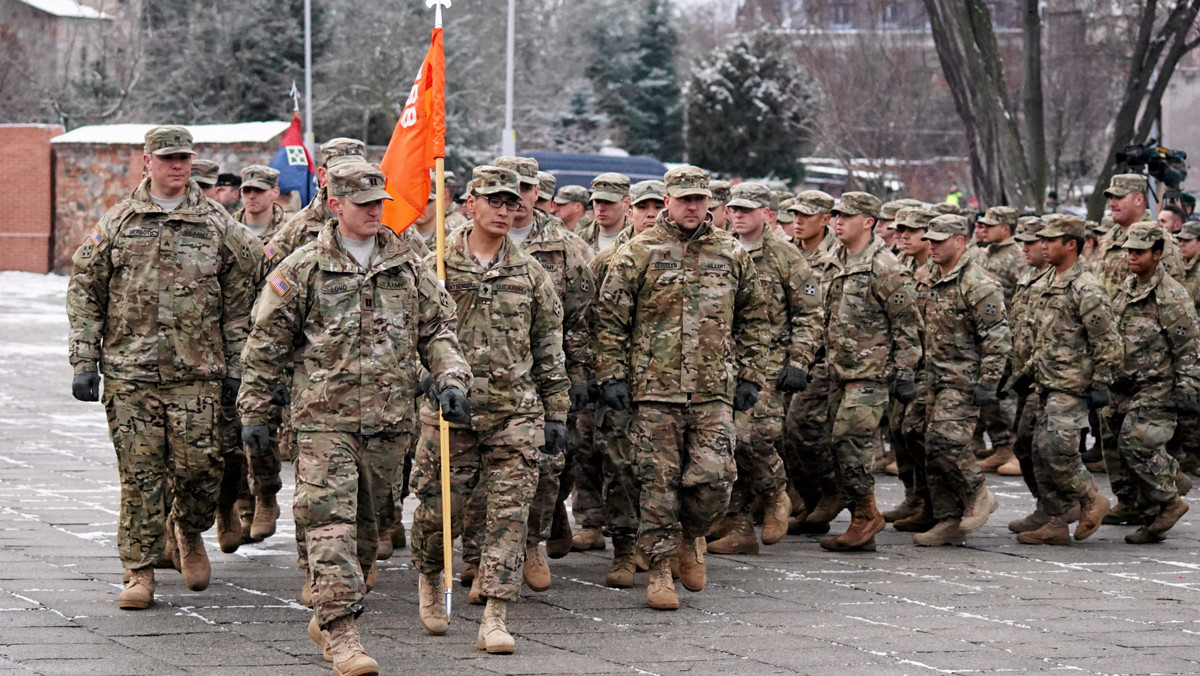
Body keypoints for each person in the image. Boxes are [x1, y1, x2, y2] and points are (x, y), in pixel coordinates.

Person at [237, 161, 472, 672]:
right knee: (328, 527)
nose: (372, 212)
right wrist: (254, 410)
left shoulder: (408, 266)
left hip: (389, 424)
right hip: (324, 421)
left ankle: (329, 610)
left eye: (377, 203)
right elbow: (266, 345)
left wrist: (452, 379)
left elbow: (439, 331)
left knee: (366, 536)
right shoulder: (302, 268)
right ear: (335, 204)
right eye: (361, 203)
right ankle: (343, 635)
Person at [66, 125, 260, 609]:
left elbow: (241, 301)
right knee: (140, 477)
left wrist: (238, 367)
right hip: (132, 374)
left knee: (201, 473)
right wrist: (84, 360)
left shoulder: (218, 223)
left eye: (185, 158)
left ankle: (187, 528)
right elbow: (85, 291)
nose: (178, 165)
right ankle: (139, 572)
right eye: (168, 157)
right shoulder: (118, 222)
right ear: (146, 161)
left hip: (198, 375)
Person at [594, 165, 770, 610]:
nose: (692, 206)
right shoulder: (639, 252)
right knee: (657, 484)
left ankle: (691, 537)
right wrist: (611, 375)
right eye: (684, 199)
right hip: (654, 391)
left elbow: (754, 318)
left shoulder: (731, 253)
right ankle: (658, 571)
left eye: (699, 199)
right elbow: (610, 321)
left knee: (714, 481)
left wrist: (751, 374)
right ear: (667, 201)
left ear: (710, 202)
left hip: (713, 392)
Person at [408, 165, 567, 654]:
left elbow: (548, 345)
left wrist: (556, 411)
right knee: (438, 510)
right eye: (493, 200)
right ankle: (431, 577)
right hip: (448, 411)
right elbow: (407, 334)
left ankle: (496, 614)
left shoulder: (531, 272)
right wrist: (423, 381)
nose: (504, 210)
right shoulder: (434, 263)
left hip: (514, 411)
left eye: (512, 202)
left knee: (509, 515)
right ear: (469, 202)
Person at [465, 156, 593, 594]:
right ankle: (482, 554)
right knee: (479, 477)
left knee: (547, 468)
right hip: (474, 380)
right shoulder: (455, 245)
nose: (512, 202)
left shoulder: (566, 247)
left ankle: (532, 542)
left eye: (523, 190)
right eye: (501, 193)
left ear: (537, 193)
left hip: (540, 376)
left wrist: (574, 374)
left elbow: (578, 318)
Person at [705, 182, 821, 555]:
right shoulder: (720, 249)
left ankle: (776, 494)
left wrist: (799, 361)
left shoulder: (786, 256)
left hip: (770, 364)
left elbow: (810, 314)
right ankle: (737, 525)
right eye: (734, 209)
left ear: (767, 214)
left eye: (747, 210)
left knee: (751, 437)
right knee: (724, 445)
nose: (738, 215)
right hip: (723, 363)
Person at [818, 192, 922, 552]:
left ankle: (865, 517)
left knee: (849, 441)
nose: (838, 221)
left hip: (871, 374)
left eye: (847, 216)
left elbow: (908, 326)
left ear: (869, 222)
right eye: (836, 215)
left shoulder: (886, 267)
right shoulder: (835, 261)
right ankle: (862, 516)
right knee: (837, 445)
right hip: (838, 372)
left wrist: (905, 373)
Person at [1010, 214, 1119, 545]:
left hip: (1073, 384)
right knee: (1039, 450)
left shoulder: (1087, 288)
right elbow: (1048, 337)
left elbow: (1110, 343)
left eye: (1050, 240)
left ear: (1071, 244)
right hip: (1047, 381)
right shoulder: (1050, 282)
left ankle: (1091, 499)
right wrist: (1027, 371)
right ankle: (1055, 521)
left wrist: (1102, 382)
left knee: (1058, 450)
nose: (1042, 245)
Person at [908, 215, 1010, 546]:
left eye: (940, 240)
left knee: (944, 440)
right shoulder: (925, 277)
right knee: (919, 438)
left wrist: (989, 382)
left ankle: (977, 492)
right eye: (930, 240)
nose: (932, 245)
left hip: (963, 379)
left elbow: (997, 337)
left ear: (960, 241)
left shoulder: (978, 284)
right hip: (930, 377)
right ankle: (947, 517)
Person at [1106, 221, 1197, 544]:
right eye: (1129, 250)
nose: (1132, 256)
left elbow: (1188, 349)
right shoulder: (1127, 288)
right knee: (1111, 436)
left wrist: (1188, 390)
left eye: (1140, 251)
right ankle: (1141, 503)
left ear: (1157, 254)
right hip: (1124, 384)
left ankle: (1171, 502)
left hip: (1159, 385)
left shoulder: (1171, 296)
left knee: (1135, 441)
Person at [781, 191, 844, 533]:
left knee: (802, 427)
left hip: (826, 356)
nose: (798, 221)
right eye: (795, 215)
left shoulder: (839, 256)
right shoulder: (788, 251)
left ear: (826, 218)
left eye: (807, 215)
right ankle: (810, 499)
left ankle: (832, 492)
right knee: (787, 433)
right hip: (788, 354)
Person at [881, 207, 938, 531]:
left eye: (910, 231)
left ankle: (933, 502)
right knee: (899, 431)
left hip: (929, 364)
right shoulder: (900, 265)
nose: (901, 236)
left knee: (916, 432)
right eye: (899, 230)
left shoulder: (936, 269)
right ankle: (913, 495)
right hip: (903, 363)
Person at [973, 206, 1026, 473]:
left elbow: (1023, 296)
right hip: (984, 335)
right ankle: (1001, 447)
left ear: (1006, 229)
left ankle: (1016, 451)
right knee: (987, 395)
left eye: (990, 225)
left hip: (1007, 336)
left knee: (1007, 397)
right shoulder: (983, 254)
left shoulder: (1018, 256)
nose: (984, 229)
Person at [575, 172, 631, 252]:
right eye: (597, 201)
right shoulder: (580, 238)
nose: (601, 208)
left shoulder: (637, 238)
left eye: (608, 202)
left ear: (626, 203)